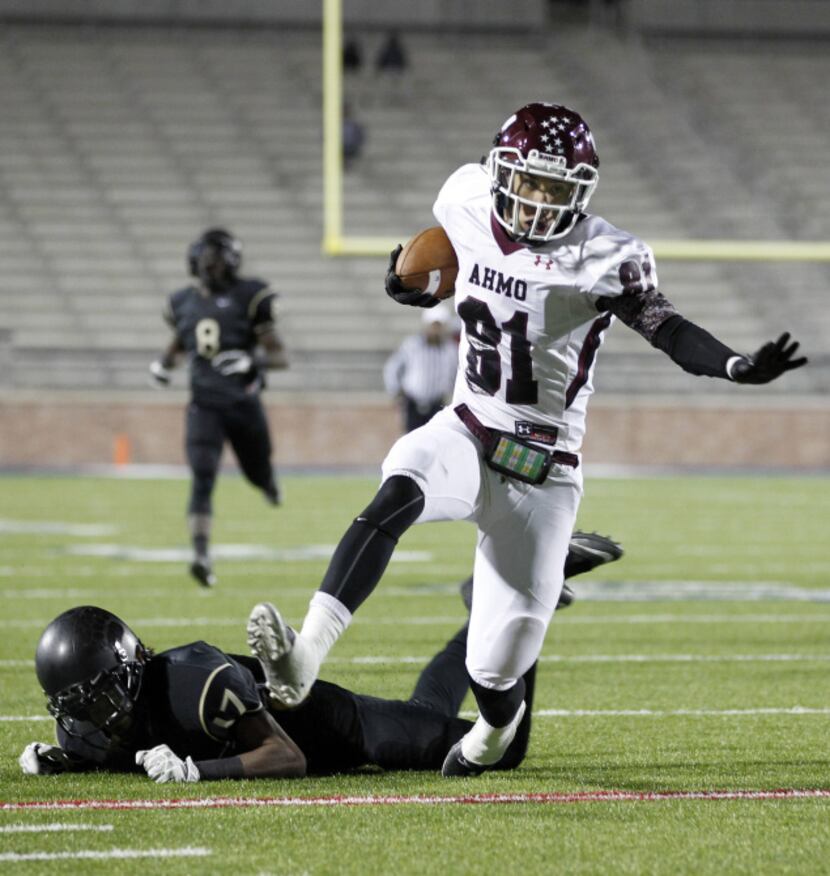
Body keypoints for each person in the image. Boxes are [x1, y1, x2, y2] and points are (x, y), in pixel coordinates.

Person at [246, 102, 807, 778]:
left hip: (543, 470)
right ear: (501, 169)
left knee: (494, 669)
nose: (540, 201)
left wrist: (735, 365)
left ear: (581, 193)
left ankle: (491, 734)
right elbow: (439, 264)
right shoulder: (465, 196)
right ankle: (305, 654)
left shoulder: (605, 256)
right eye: (531, 183)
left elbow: (669, 328)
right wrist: (409, 284)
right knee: (400, 486)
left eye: (556, 189)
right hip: (469, 426)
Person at [18, 536, 619, 781]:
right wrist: (64, 765)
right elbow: (116, 749)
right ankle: (481, 606)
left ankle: (524, 599)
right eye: (80, 704)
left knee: (503, 749)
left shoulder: (192, 679)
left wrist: (200, 772)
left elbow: (287, 755)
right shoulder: (89, 725)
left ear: (128, 672)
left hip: (344, 730)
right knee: (427, 706)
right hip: (333, 730)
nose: (93, 715)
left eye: (98, 696)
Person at [149, 228, 288, 589]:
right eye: (207, 260)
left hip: (243, 403)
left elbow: (279, 354)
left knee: (257, 470)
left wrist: (250, 360)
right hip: (204, 406)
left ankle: (267, 482)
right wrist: (164, 364)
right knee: (202, 476)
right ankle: (200, 554)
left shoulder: (249, 295)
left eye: (218, 260)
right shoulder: (182, 301)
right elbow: (183, 336)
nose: (212, 267)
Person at [383, 303, 459, 433]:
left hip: (437, 404)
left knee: (435, 439)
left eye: (439, 325)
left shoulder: (450, 350)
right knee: (411, 439)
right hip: (413, 403)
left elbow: (454, 374)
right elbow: (392, 368)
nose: (436, 329)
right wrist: (395, 390)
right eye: (433, 325)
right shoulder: (412, 345)